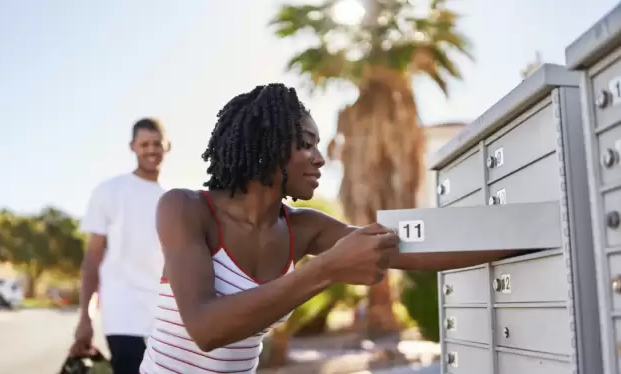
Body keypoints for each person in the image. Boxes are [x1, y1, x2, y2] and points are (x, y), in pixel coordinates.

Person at [139, 83, 518, 373]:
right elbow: (206, 328)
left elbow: (408, 248)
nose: (320, 158)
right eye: (306, 144)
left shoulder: (304, 229)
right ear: (267, 146)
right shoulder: (185, 209)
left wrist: (525, 240)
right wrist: (325, 270)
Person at [71, 118, 170, 374]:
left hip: (164, 317)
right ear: (132, 147)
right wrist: (86, 318)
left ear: (167, 147)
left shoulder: (173, 199)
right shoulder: (110, 191)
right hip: (122, 313)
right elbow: (92, 259)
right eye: (144, 144)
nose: (151, 150)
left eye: (157, 143)